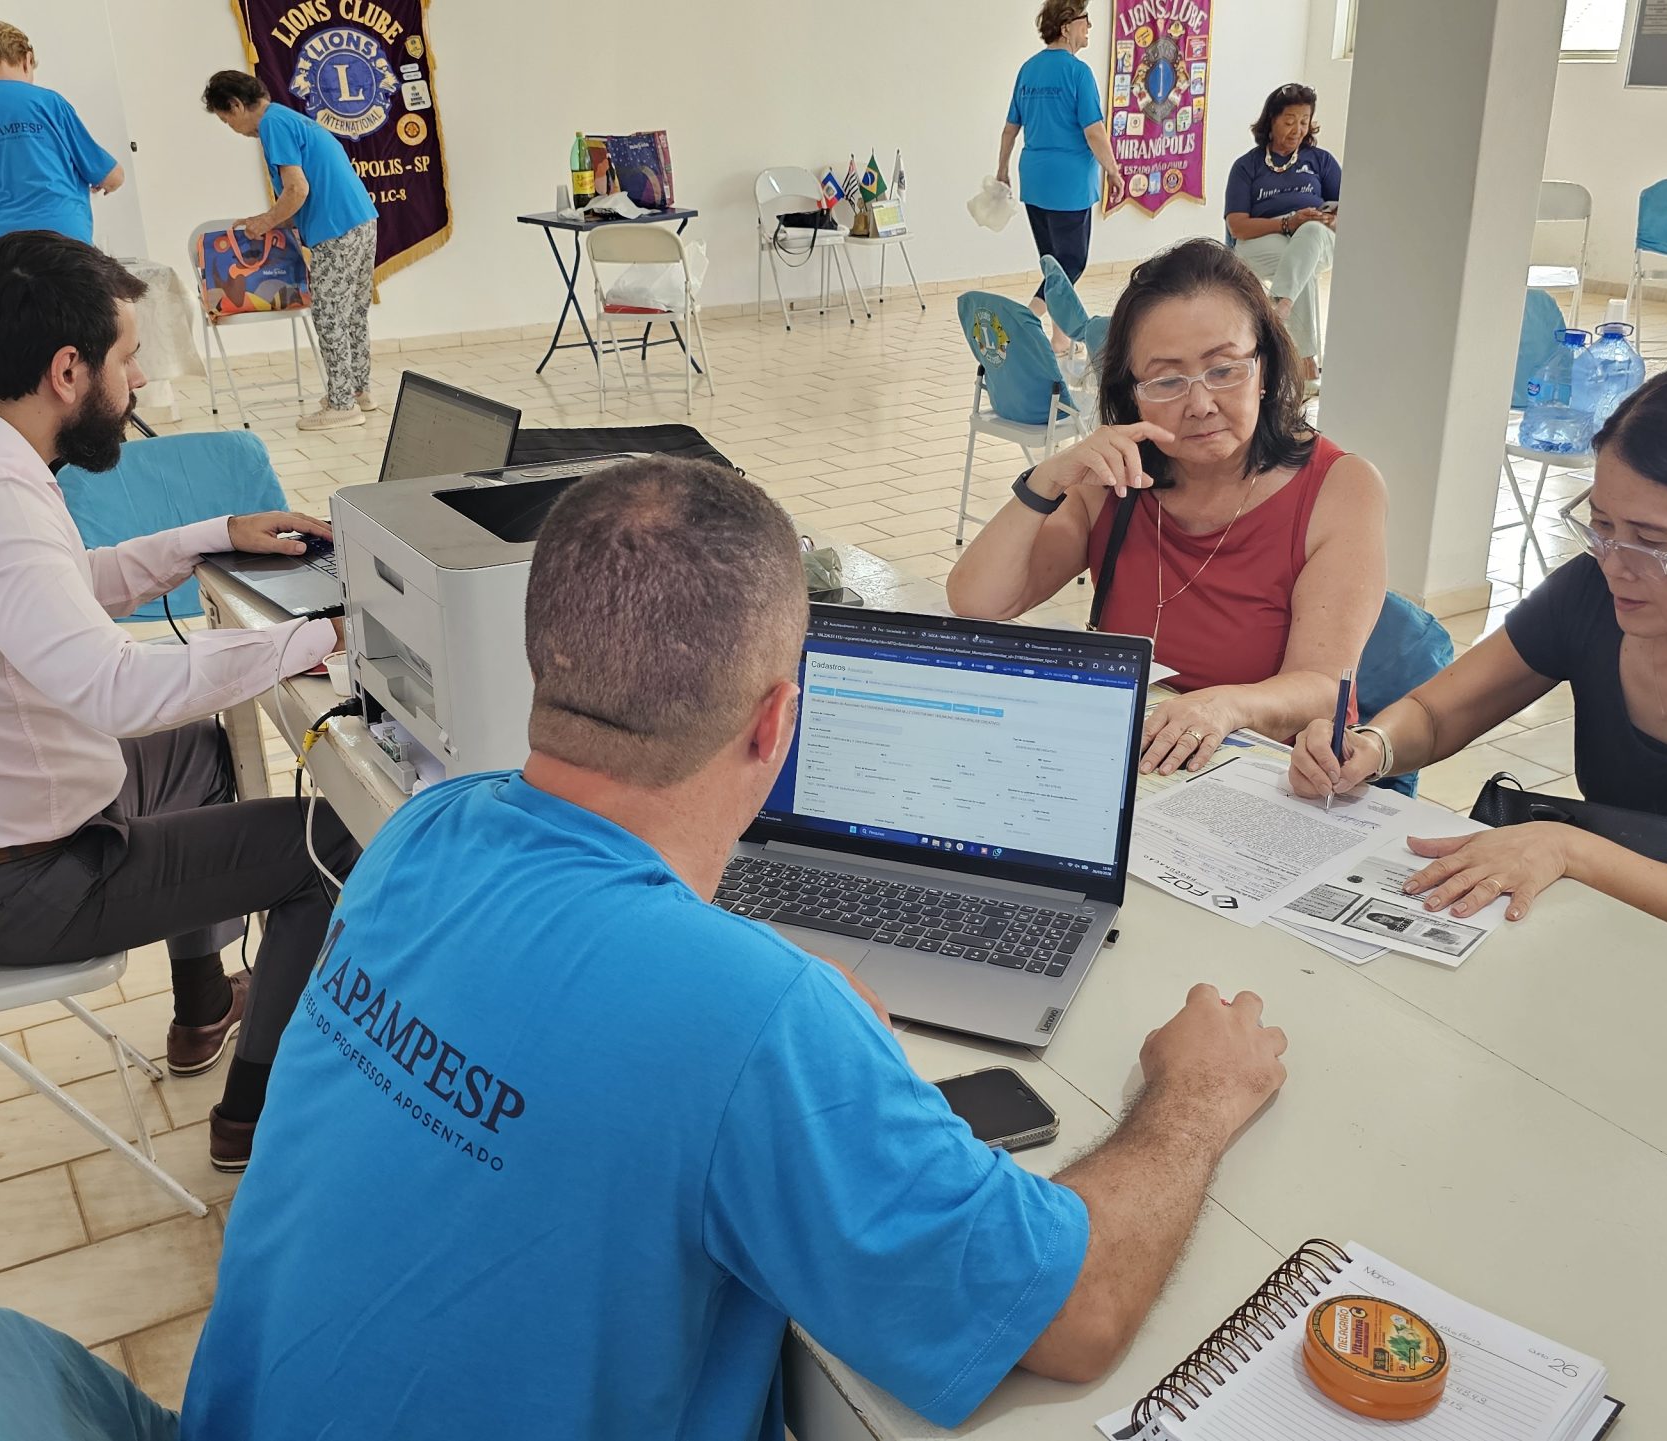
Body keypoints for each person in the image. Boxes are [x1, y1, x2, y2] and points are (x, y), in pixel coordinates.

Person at [181, 457, 1291, 1439]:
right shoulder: (753, 1023)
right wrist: (1194, 1095)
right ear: (776, 722)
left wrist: (755, 993)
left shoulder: (425, 830)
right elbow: (1076, 1313)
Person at [0, 232, 359, 1174]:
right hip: (16, 884)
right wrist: (314, 639)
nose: (138, 382)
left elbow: (62, 587)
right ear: (67, 372)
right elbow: (116, 687)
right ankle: (255, 1115)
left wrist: (214, 535)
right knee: (327, 842)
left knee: (204, 754)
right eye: (128, 359)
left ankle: (203, 1005)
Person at [1290, 359, 1667, 975]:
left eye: (1652, 541)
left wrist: (1568, 849)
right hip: (1596, 925)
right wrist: (1372, 746)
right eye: (1601, 525)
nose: (1615, 564)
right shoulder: (1590, 591)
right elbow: (1435, 713)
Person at [950, 238, 1387, 777]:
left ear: (1265, 370)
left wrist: (1223, 707)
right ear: (1131, 392)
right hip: (1141, 767)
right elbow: (978, 600)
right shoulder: (1115, 479)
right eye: (1167, 381)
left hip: (1276, 779)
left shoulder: (1340, 487)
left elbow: (1322, 687)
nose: (1200, 404)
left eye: (1225, 370)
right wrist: (1048, 478)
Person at [200, 70, 380, 432]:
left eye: (225, 119)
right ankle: (358, 391)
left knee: (329, 315)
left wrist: (264, 222)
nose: (232, 128)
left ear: (235, 105)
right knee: (352, 313)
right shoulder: (287, 117)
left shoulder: (273, 125)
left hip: (336, 228)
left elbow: (297, 189)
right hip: (361, 220)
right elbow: (301, 194)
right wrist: (267, 221)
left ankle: (343, 405)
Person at [998, 0, 1120, 341]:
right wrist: (1113, 170)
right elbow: (1094, 132)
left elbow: (1010, 129)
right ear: (1066, 27)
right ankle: (1024, 320)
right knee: (1071, 263)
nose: (1089, 27)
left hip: (1035, 180)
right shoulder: (1078, 72)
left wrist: (1002, 169)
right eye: (1085, 20)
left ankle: (1060, 339)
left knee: (1052, 262)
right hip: (1069, 184)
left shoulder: (1028, 70)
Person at [0, 21, 124, 250]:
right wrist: (104, 183)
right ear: (27, 59)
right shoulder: (49, 103)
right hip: (63, 241)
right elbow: (113, 176)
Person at [1223, 83, 1341, 384]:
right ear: (1271, 121)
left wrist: (1325, 219)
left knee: (1309, 237)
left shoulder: (1321, 161)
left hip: (1318, 236)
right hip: (1264, 239)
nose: (1297, 130)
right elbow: (1238, 226)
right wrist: (1288, 223)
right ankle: (1306, 365)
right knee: (1301, 268)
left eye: (1304, 121)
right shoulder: (1246, 167)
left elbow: (1349, 213)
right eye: (1289, 121)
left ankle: (1280, 309)